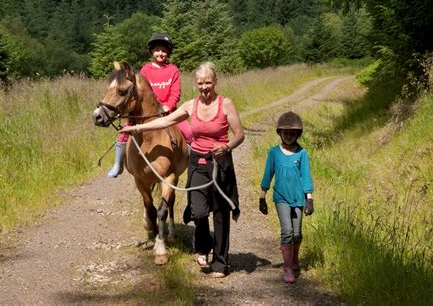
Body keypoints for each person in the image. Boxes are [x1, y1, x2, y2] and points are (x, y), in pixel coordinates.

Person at [120, 61, 244, 278]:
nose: (204, 87)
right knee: (198, 211)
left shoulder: (226, 104)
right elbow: (163, 121)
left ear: (215, 82)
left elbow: (239, 134)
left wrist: (227, 146)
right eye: (200, 83)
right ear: (196, 84)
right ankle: (204, 246)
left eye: (208, 82)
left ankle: (221, 262)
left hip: (220, 162)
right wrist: (136, 127)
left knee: (221, 214)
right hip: (198, 162)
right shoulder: (190, 106)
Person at [107, 32, 193, 178]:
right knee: (123, 133)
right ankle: (118, 163)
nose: (161, 53)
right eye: (157, 50)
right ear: (152, 51)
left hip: (169, 112)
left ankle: (192, 164)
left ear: (168, 52)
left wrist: (168, 105)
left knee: (190, 132)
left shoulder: (173, 70)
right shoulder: (146, 70)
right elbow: (140, 92)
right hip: (148, 113)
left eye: (164, 50)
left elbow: (176, 92)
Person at [258, 111, 315, 284]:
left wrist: (309, 199)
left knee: (297, 233)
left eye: (292, 133)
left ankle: (295, 259)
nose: (289, 136)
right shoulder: (274, 152)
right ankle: (287, 267)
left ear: (297, 134)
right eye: (285, 133)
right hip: (281, 197)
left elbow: (306, 176)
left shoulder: (302, 153)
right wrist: (262, 196)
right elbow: (268, 174)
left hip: (298, 198)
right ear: (280, 133)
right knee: (287, 231)